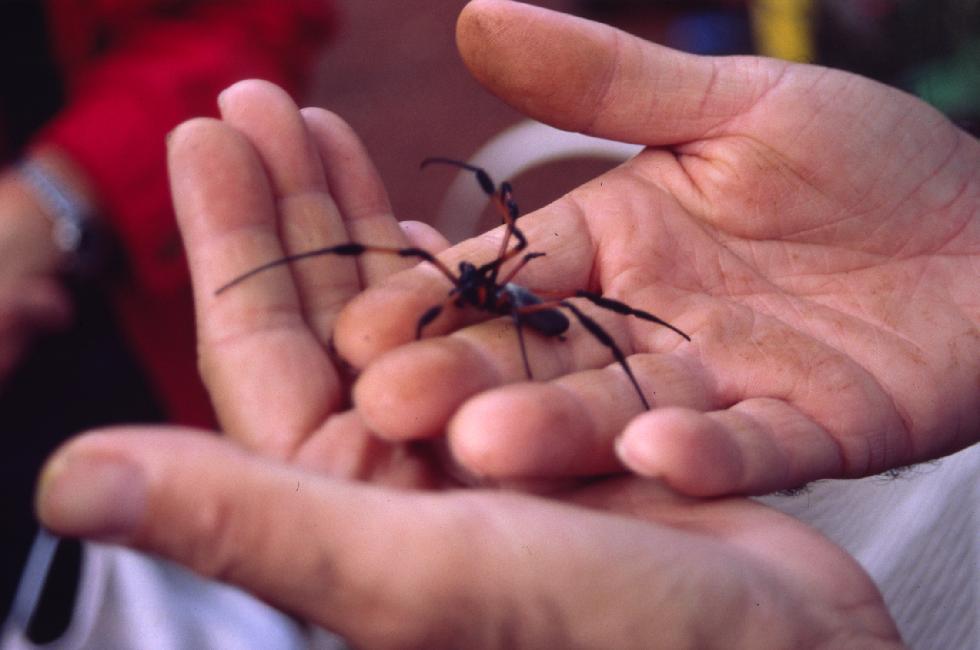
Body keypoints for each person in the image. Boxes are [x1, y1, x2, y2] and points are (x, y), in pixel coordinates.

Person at [35, 0, 978, 648]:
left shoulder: (508, 282)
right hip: (521, 316)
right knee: (414, 329)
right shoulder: (476, 288)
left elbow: (521, 242)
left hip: (542, 320)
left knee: (541, 311)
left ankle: (612, 376)